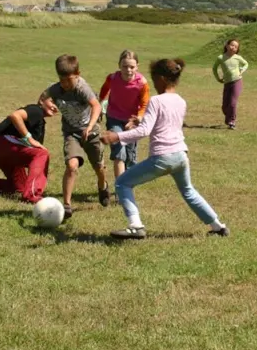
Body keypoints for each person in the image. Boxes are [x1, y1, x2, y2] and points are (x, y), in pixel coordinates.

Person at [101, 58, 230, 240]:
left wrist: (116, 136)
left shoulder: (156, 100)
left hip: (162, 157)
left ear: (161, 78)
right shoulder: (181, 101)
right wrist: (142, 120)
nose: (152, 83)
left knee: (123, 183)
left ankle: (136, 226)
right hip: (181, 156)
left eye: (153, 79)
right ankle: (218, 226)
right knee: (188, 191)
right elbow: (166, 123)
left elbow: (144, 131)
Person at [39, 54, 109, 219]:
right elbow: (42, 98)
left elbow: (96, 106)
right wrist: (47, 104)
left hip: (91, 133)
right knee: (71, 166)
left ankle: (102, 185)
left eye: (69, 80)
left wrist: (90, 126)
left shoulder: (82, 88)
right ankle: (67, 205)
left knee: (99, 167)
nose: (65, 84)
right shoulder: (56, 89)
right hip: (71, 133)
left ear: (78, 74)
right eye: (62, 80)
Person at [0, 101, 59, 203]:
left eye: (58, 105)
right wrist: (29, 138)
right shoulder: (36, 110)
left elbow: (32, 155)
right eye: (52, 102)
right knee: (41, 154)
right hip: (1, 143)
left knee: (20, 187)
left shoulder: (40, 122)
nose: (55, 107)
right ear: (42, 101)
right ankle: (33, 195)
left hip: (2, 149)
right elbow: (15, 116)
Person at [98, 50, 150, 182]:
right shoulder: (113, 78)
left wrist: (138, 117)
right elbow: (104, 89)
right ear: (119, 65)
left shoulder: (142, 83)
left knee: (130, 156)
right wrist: (99, 104)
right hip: (114, 119)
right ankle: (120, 189)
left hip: (131, 121)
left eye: (132, 67)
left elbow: (144, 103)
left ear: (137, 66)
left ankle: (128, 185)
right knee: (119, 154)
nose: (128, 70)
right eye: (125, 66)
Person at [212, 38, 249, 129]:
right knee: (225, 106)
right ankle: (228, 118)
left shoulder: (238, 57)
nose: (233, 47)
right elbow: (214, 68)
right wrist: (218, 78)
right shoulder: (220, 57)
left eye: (236, 47)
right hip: (227, 83)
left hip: (237, 81)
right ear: (227, 46)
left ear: (237, 49)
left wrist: (241, 70)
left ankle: (232, 122)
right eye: (232, 45)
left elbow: (246, 64)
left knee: (232, 103)